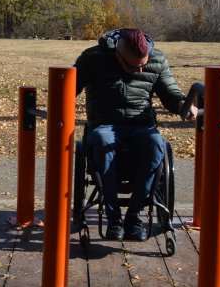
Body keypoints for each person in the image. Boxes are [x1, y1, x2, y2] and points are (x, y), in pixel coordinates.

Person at [74, 28, 197, 242]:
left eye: (143, 65)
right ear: (118, 55)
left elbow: (170, 92)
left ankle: (134, 216)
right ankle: (114, 219)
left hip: (140, 125)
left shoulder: (157, 60)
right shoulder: (92, 58)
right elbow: (68, 87)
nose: (140, 71)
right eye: (133, 66)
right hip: (104, 123)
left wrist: (183, 105)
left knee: (156, 142)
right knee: (103, 140)